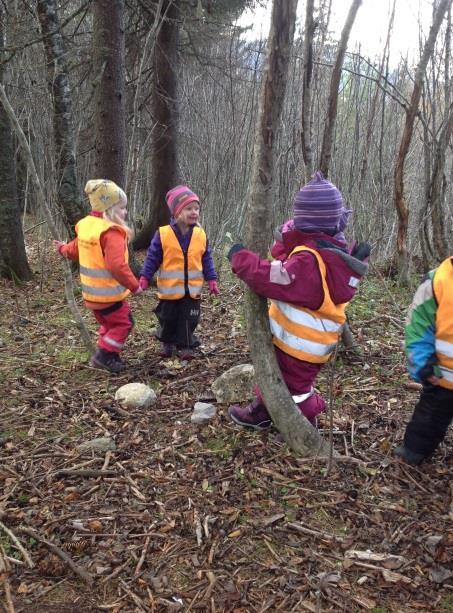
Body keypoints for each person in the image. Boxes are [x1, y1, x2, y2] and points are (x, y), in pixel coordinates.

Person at [227, 171, 370, 429]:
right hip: (314, 345)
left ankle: (293, 416)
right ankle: (285, 412)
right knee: (297, 383)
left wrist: (240, 260)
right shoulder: (332, 256)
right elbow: (284, 259)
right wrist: (288, 238)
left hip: (297, 345)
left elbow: (272, 277)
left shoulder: (308, 262)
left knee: (292, 386)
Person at [54, 179, 142, 373]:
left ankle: (109, 354)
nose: (125, 213)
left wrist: (62, 248)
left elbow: (74, 249)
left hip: (91, 296)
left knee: (109, 325)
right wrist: (135, 286)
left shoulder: (87, 226)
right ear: (108, 210)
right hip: (109, 296)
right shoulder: (111, 232)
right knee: (124, 323)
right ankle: (104, 355)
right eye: (121, 209)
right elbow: (117, 266)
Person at [139, 185, 219, 360]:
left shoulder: (200, 234)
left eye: (196, 208)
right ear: (176, 212)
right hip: (169, 289)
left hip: (192, 290)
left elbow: (207, 259)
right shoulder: (163, 234)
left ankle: (186, 345)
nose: (194, 212)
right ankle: (167, 342)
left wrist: (212, 279)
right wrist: (145, 277)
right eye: (189, 208)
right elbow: (152, 258)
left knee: (189, 319)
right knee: (167, 317)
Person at [394, 258, 453, 465]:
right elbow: (417, 328)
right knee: (429, 419)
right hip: (442, 376)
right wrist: (423, 364)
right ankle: (414, 451)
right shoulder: (438, 280)